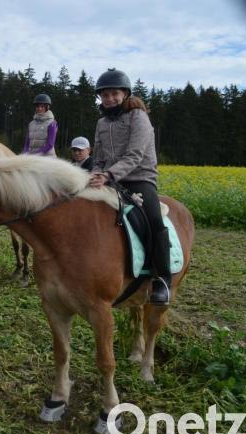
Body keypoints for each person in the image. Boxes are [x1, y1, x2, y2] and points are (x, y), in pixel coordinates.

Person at [89, 68, 171, 305]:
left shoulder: (138, 117)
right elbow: (99, 157)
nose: (110, 98)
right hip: (110, 179)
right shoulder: (102, 122)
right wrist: (95, 174)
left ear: (125, 93)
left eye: (114, 94)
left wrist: (108, 174)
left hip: (139, 178)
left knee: (153, 219)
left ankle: (162, 279)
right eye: (105, 95)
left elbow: (135, 155)